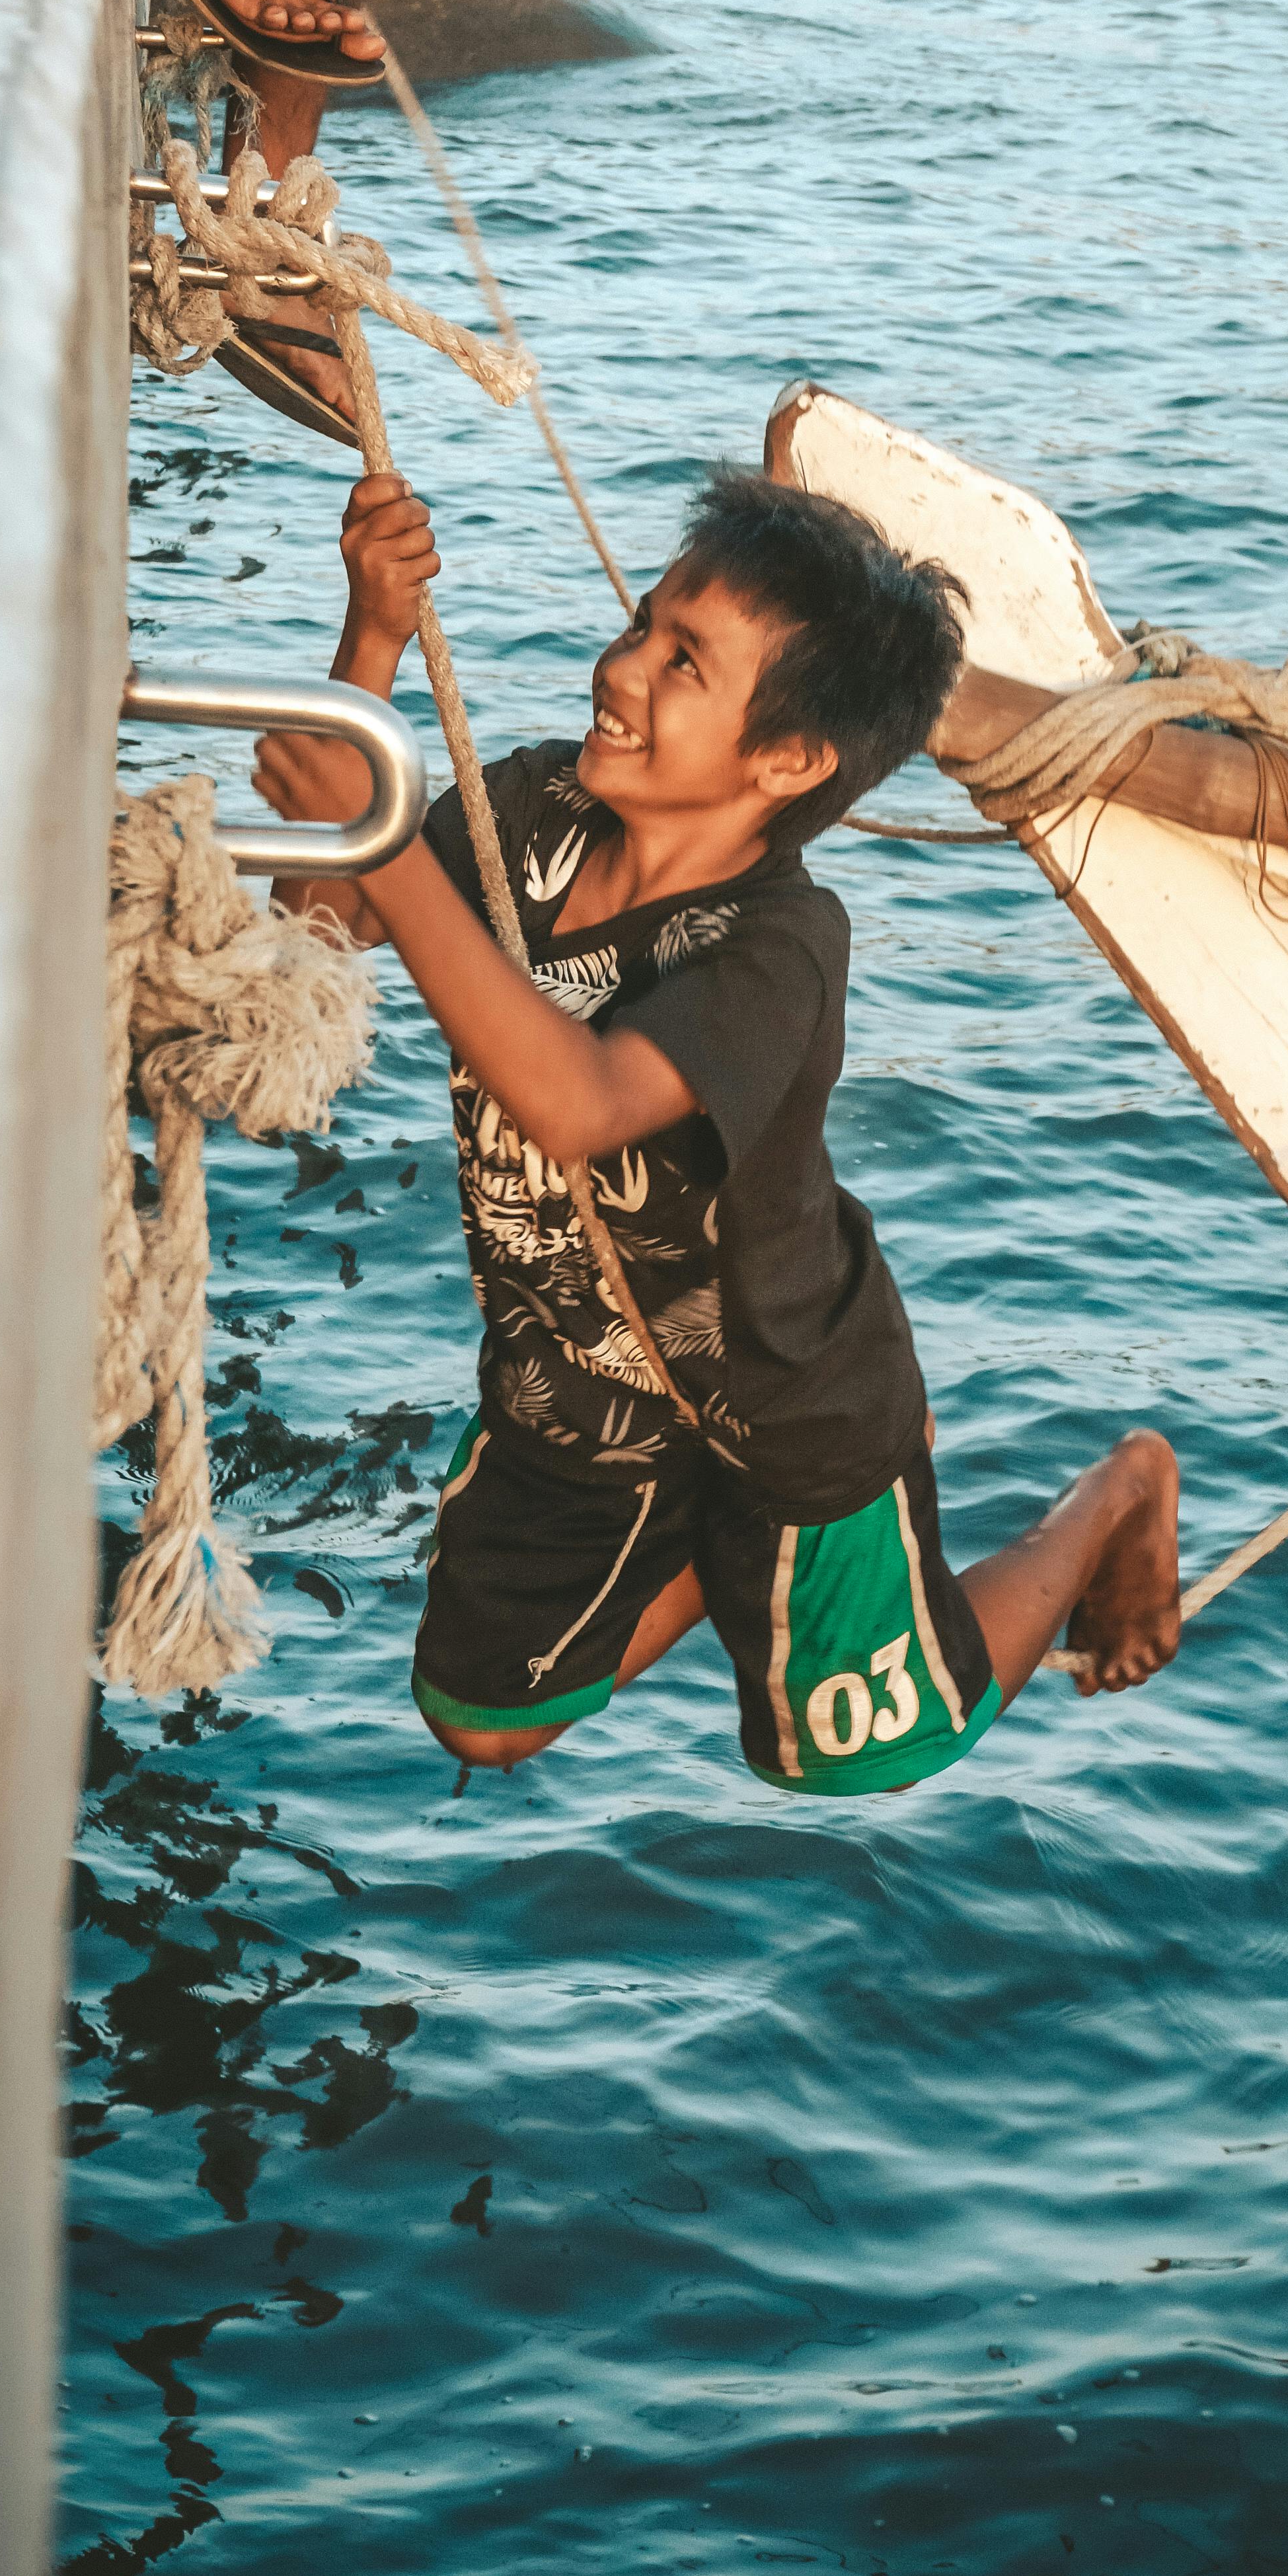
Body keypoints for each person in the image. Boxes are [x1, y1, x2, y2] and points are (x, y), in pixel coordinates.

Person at [252, 463, 1184, 1794]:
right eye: (641, 623)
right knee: (479, 1716)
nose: (620, 668)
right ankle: (705, 1546)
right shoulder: (531, 816)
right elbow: (314, 931)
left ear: (787, 760)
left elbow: (578, 1105)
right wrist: (373, 642)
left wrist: (389, 850)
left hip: (788, 1412)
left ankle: (1110, 1499)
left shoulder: (778, 949)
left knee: (856, 1755)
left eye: (682, 664)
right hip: (585, 1390)